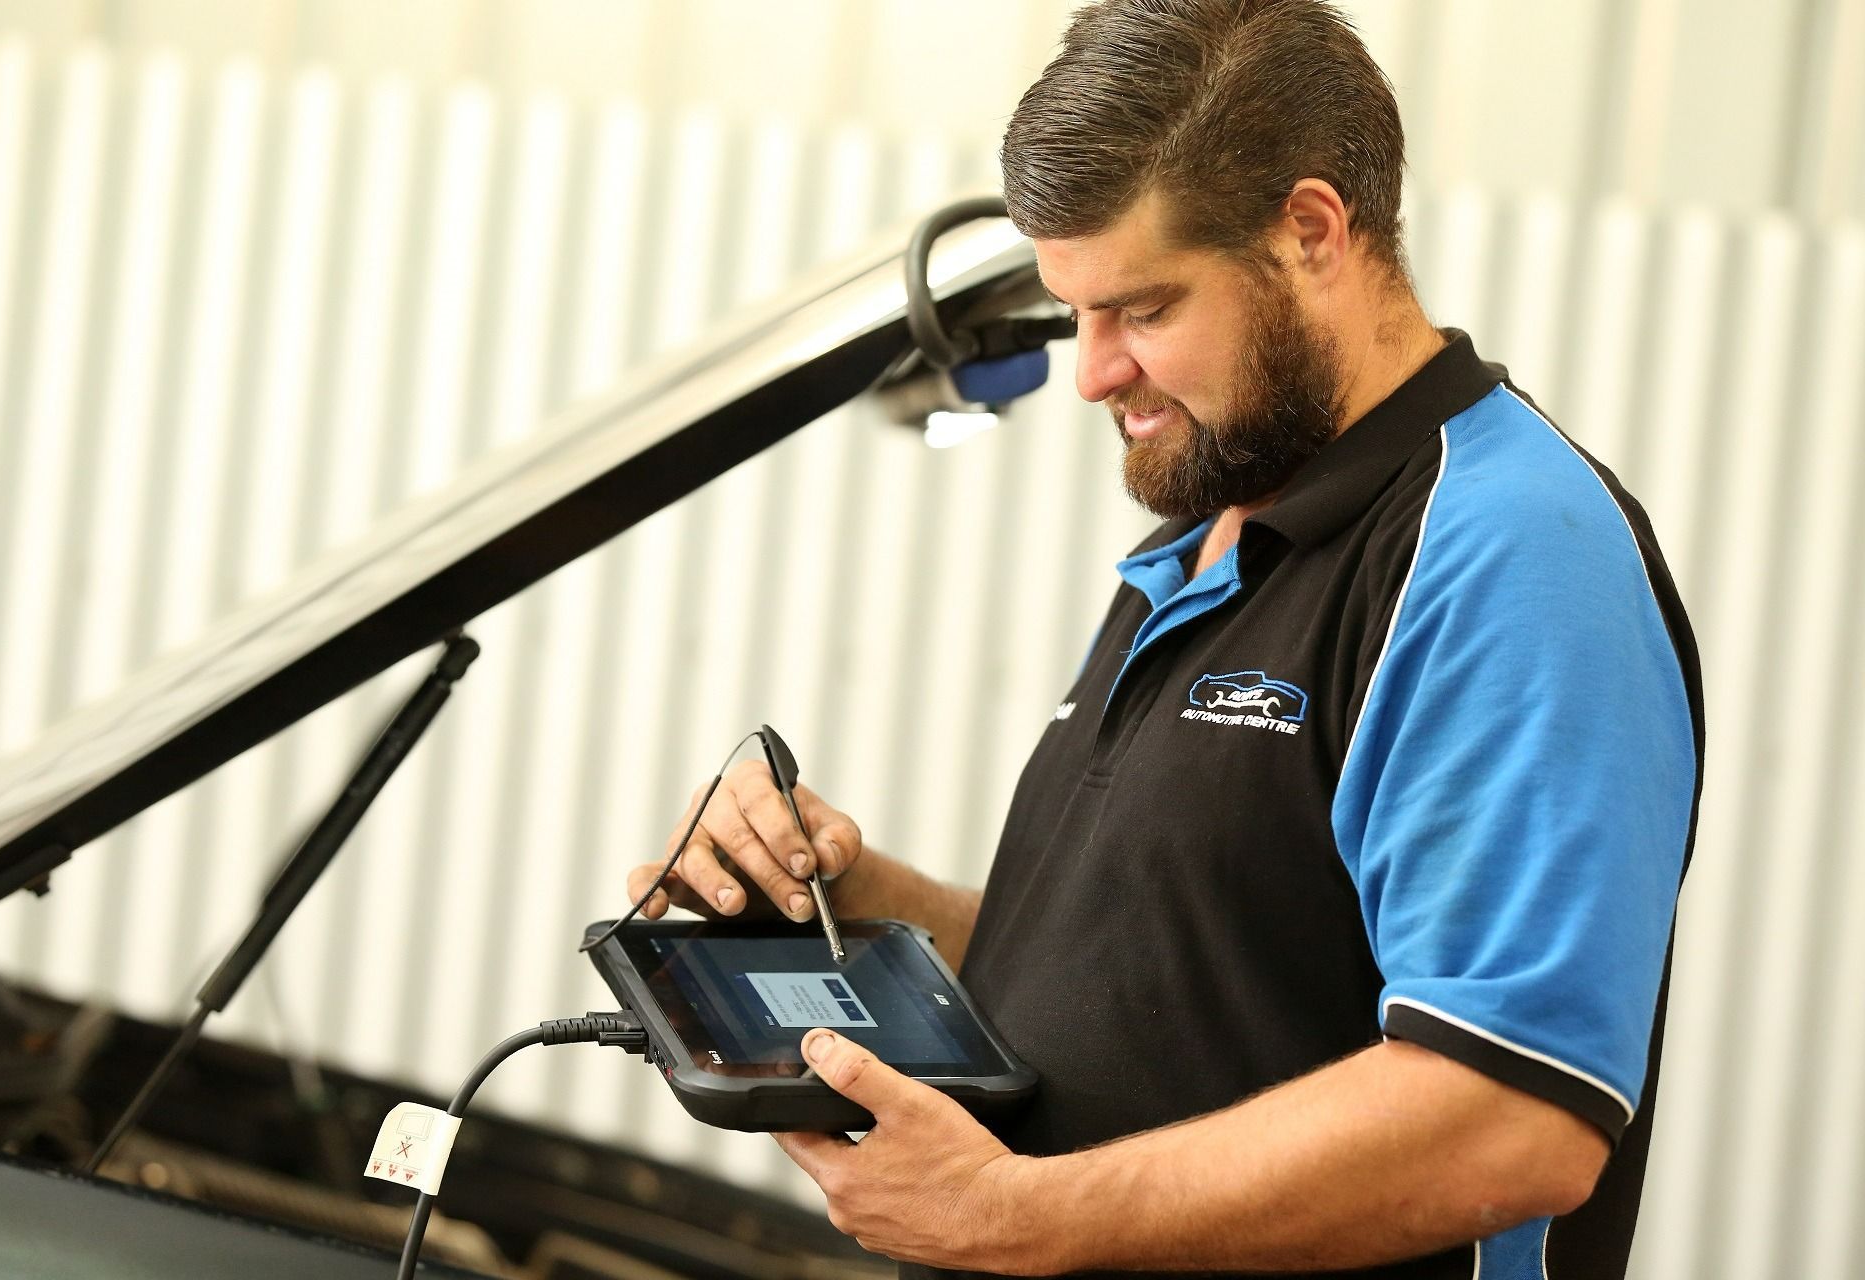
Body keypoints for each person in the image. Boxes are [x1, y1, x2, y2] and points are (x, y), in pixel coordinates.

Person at [625, 1, 1704, 1276]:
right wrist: (854, 901)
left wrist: (1009, 1212)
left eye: (1140, 308)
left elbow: (1510, 1119)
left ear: (1311, 231)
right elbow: (1176, 983)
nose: (1089, 373)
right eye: (1074, 311)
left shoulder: (1511, 555)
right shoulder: (1207, 530)